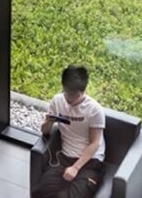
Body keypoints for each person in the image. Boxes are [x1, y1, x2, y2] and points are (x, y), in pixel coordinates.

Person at [32, 66, 106, 198]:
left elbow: (95, 143)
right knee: (39, 191)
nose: (69, 99)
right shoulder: (58, 101)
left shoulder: (94, 110)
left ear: (83, 90)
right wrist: (48, 122)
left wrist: (76, 168)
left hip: (90, 162)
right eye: (67, 93)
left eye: (74, 95)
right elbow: (45, 132)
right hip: (65, 158)